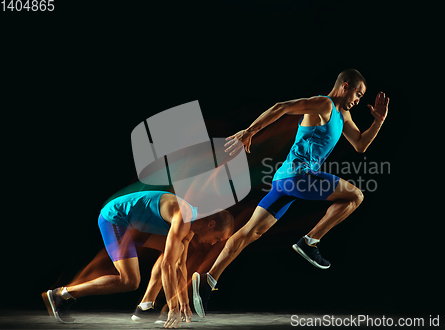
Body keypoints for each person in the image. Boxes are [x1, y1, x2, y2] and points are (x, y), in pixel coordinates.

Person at [191, 69, 389, 317]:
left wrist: (378, 122)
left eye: (361, 97)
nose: (358, 100)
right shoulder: (323, 104)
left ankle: (208, 280)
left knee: (250, 232)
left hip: (285, 181)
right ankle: (310, 241)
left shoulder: (344, 115)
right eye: (358, 93)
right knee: (356, 196)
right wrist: (249, 132)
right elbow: (281, 107)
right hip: (299, 177)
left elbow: (360, 144)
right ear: (345, 86)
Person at [42, 190, 234, 328]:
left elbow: (179, 266)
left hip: (135, 225)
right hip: (115, 218)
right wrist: (173, 307)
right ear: (211, 224)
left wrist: (183, 302)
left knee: (176, 251)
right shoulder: (183, 217)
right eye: (217, 238)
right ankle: (61, 295)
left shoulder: (190, 226)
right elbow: (168, 264)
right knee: (129, 281)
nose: (212, 243)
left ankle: (145, 307)